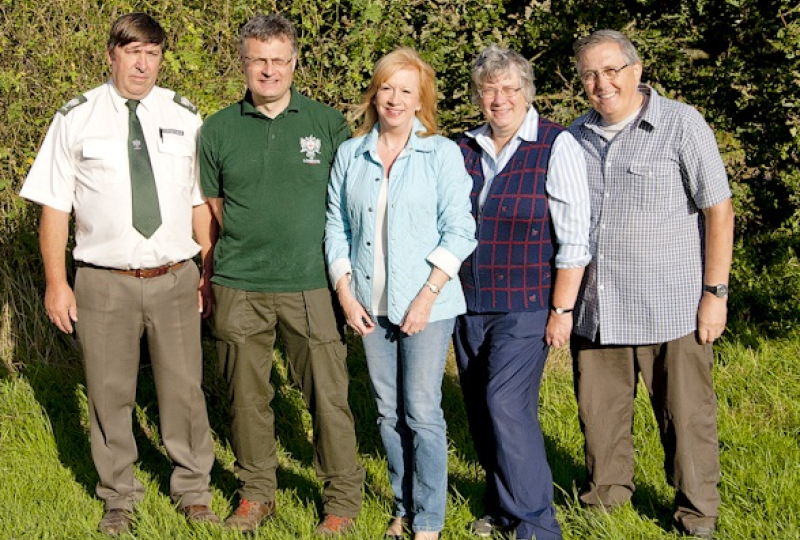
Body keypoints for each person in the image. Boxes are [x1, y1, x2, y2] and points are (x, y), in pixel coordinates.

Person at [19, 12, 219, 536]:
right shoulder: (75, 117)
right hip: (103, 281)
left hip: (176, 276)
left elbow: (199, 201)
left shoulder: (185, 115)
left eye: (152, 53)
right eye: (133, 52)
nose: (142, 64)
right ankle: (119, 497)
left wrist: (207, 269)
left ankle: (193, 490)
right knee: (109, 393)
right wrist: (57, 282)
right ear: (111, 54)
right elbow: (54, 209)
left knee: (184, 390)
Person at [198, 14, 365, 537]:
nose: (268, 71)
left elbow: (348, 203)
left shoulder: (326, 124)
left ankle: (341, 500)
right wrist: (227, 259)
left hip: (311, 283)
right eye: (257, 60)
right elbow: (212, 204)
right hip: (239, 284)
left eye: (278, 60)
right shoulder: (218, 128)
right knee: (246, 398)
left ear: (294, 64)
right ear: (243, 64)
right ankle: (256, 495)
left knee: (327, 397)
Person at [568, 30, 735, 540]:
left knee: (686, 421)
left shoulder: (681, 124)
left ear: (636, 70)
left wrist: (716, 294)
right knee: (600, 421)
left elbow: (719, 210)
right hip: (598, 311)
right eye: (590, 74)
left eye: (611, 69)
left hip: (674, 308)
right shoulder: (575, 136)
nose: (602, 83)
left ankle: (696, 516)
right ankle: (606, 505)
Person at [325, 47, 477, 540]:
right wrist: (347, 295)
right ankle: (402, 505)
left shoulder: (441, 153)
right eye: (387, 87)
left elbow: (460, 230)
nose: (394, 99)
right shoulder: (351, 153)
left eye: (406, 91)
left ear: (420, 100)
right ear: (375, 92)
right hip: (370, 304)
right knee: (387, 412)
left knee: (421, 410)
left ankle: (430, 518)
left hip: (426, 306)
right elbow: (336, 227)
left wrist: (428, 294)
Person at [451, 45, 590, 540]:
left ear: (527, 93)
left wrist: (562, 309)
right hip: (468, 302)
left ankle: (537, 523)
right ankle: (502, 505)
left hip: (528, 303)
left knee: (506, 405)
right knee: (479, 408)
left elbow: (575, 237)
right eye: (489, 89)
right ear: (477, 95)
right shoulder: (462, 147)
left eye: (510, 88)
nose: (499, 98)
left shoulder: (556, 145)